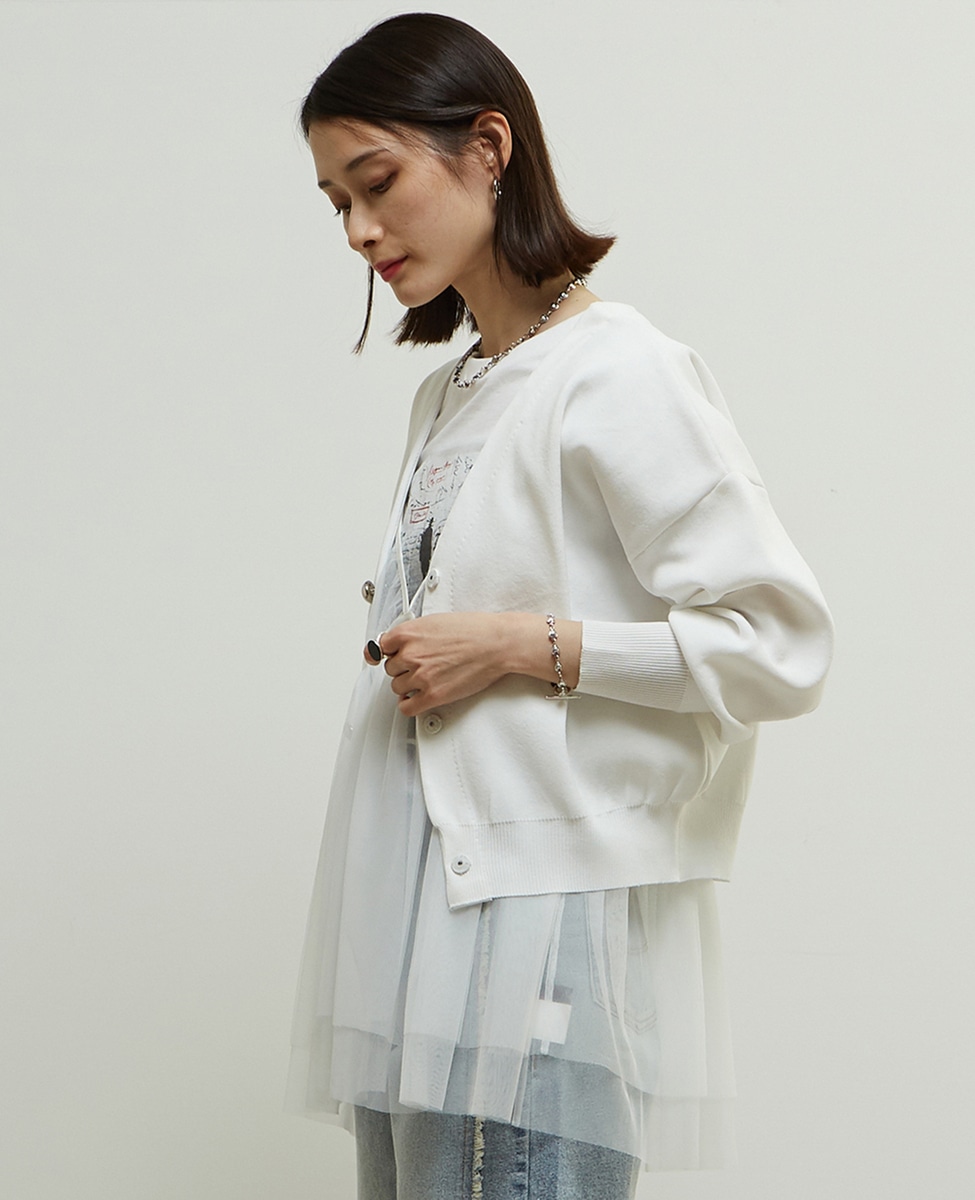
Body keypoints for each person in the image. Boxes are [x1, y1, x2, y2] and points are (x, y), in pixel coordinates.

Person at [286, 13, 833, 1200]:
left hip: (539, 939)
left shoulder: (620, 369)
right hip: (419, 921)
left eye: (376, 183)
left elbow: (777, 646)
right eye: (336, 203)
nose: (359, 230)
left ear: (488, 148)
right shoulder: (451, 393)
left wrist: (516, 644)